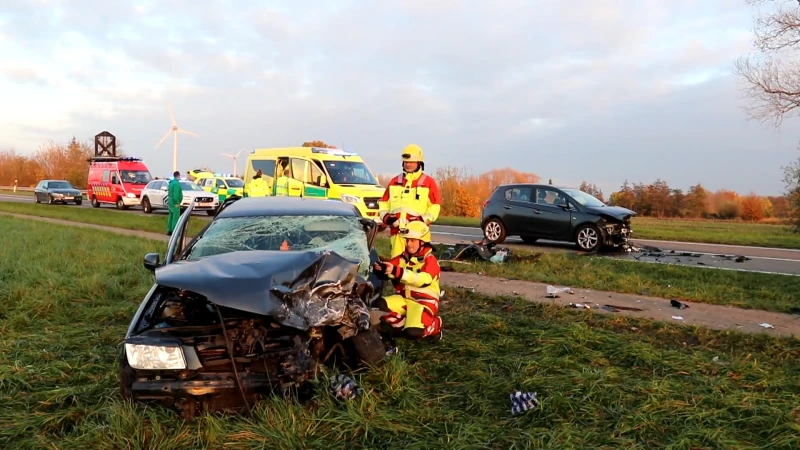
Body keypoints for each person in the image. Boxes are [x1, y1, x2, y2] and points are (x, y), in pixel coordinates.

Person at [371, 221, 443, 342]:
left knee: (413, 333)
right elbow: (392, 266)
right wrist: (382, 269)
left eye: (412, 240)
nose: (408, 244)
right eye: (407, 240)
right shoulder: (405, 257)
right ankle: (402, 325)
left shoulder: (430, 261)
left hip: (423, 303)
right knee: (379, 306)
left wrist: (397, 271)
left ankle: (435, 325)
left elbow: (422, 280)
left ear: (423, 242)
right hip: (404, 299)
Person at [378, 144, 441, 258]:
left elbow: (434, 207)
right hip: (397, 234)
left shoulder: (428, 182)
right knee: (396, 267)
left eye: (411, 162)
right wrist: (387, 217)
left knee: (417, 267)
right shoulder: (394, 181)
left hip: (418, 236)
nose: (408, 164)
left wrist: (421, 220)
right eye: (406, 162)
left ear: (419, 163)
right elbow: (383, 203)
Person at [166, 171, 182, 235]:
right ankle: (175, 232)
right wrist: (177, 202)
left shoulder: (171, 183)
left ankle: (169, 230)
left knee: (171, 216)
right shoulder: (176, 183)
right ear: (178, 176)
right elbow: (176, 194)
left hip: (170, 201)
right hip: (175, 202)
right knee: (175, 217)